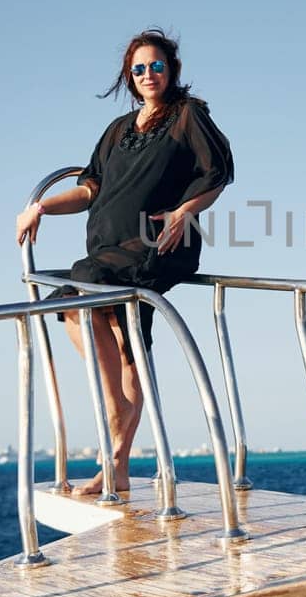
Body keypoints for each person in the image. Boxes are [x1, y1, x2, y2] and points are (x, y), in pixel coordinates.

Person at [14, 29, 233, 494]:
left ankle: (115, 409)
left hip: (161, 240)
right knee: (125, 338)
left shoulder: (187, 116)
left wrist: (183, 211)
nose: (148, 75)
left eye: (156, 66)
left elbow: (218, 172)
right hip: (110, 248)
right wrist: (42, 207)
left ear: (171, 69)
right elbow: (91, 189)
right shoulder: (116, 132)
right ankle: (117, 462)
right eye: (139, 69)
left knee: (82, 288)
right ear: (128, 77)